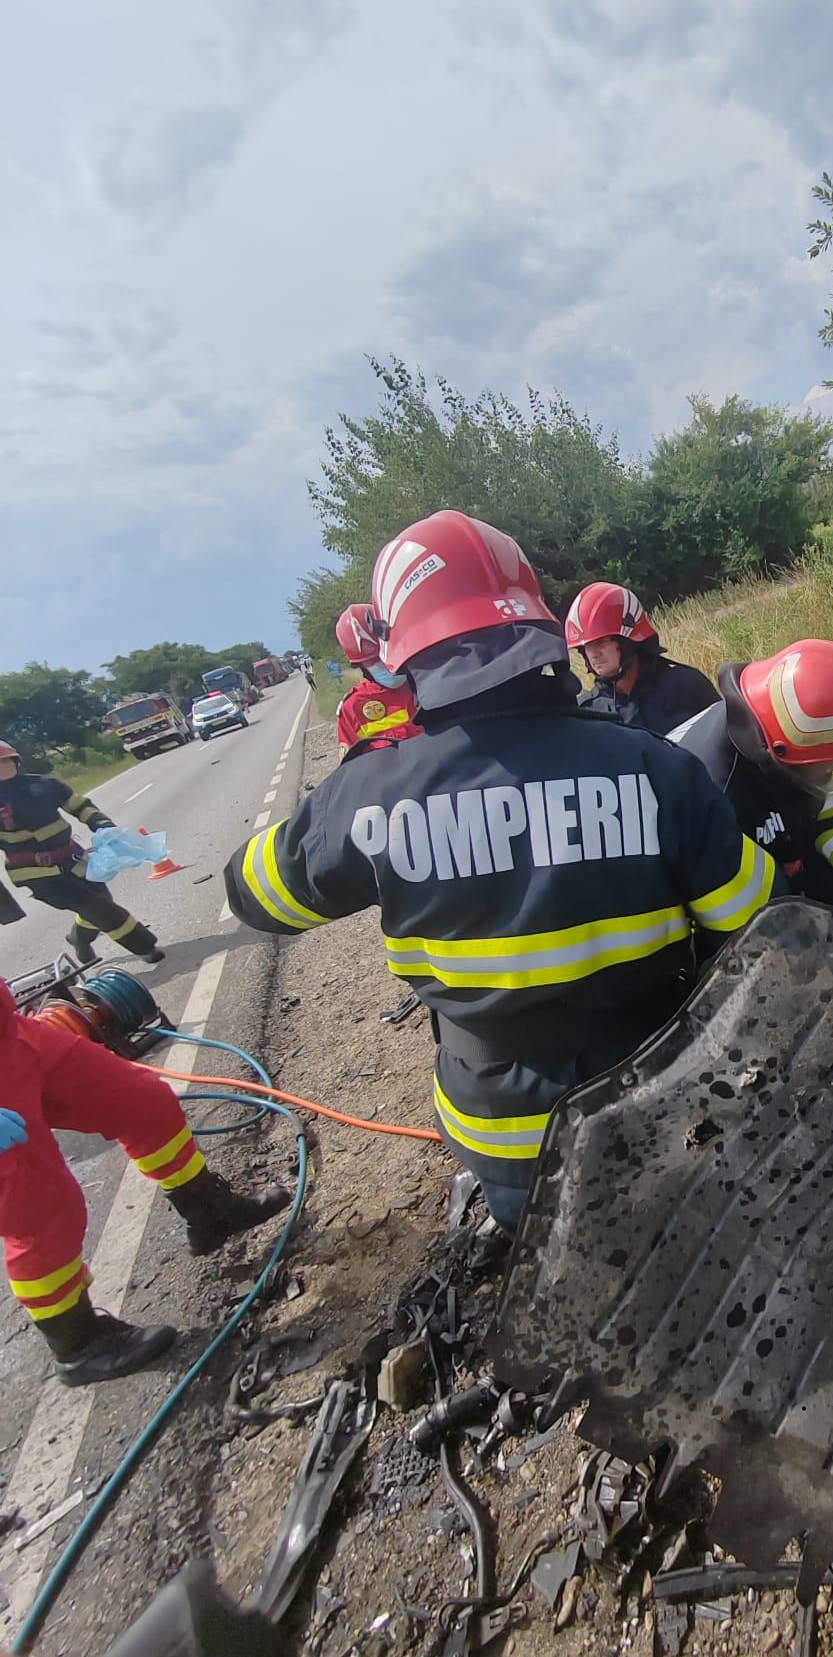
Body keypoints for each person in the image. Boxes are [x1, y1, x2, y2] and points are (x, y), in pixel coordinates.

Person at [224, 512, 776, 1230]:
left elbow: (255, 895)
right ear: (538, 628)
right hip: (664, 1095)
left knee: (556, 1260)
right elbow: (755, 919)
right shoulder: (654, 766)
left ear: (404, 653)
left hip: (508, 1141)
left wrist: (356, 807)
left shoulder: (369, 794)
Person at [0, 979, 288, 1385]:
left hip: (12, 1037)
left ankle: (210, 1213)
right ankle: (78, 1344)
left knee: (144, 1103)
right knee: (38, 1207)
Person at [669, 638, 833, 912]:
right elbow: (746, 917)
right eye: (828, 768)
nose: (832, 773)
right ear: (785, 754)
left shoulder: (785, 734)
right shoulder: (711, 794)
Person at [0, 741, 163, 965]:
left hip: (73, 859)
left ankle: (78, 938)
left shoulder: (45, 785)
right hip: (36, 876)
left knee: (102, 902)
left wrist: (104, 827)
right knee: (96, 907)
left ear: (16, 762)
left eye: (4, 762)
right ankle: (145, 947)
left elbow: (81, 807)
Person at [564, 581, 719, 735]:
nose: (593, 654)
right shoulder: (588, 714)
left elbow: (724, 738)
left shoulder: (685, 684)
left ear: (628, 641)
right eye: (587, 647)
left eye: (601, 642)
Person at [333, 603, 422, 756]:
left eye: (386, 654)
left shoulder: (426, 680)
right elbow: (353, 765)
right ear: (361, 665)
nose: (385, 663)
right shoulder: (353, 708)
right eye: (374, 660)